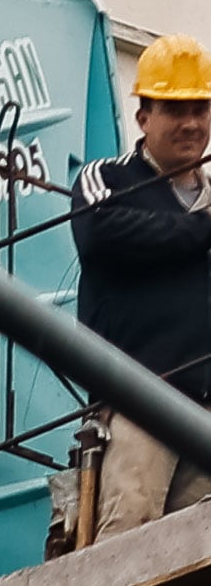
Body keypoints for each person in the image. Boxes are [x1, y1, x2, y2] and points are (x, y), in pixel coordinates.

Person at [74, 34, 211, 541]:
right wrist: (204, 229)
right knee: (126, 542)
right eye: (175, 109)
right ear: (143, 118)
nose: (192, 123)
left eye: (200, 108)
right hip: (137, 402)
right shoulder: (106, 179)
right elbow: (101, 232)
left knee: (196, 559)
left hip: (206, 407)